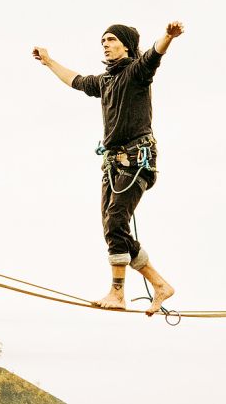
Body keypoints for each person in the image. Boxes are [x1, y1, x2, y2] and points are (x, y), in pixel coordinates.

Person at [31, 22, 183, 316]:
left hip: (137, 161)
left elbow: (154, 55)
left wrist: (168, 37)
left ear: (125, 45)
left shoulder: (136, 73)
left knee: (115, 220)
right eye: (103, 40)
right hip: (113, 164)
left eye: (111, 39)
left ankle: (117, 292)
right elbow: (75, 80)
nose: (105, 44)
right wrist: (49, 62)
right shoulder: (105, 81)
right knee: (114, 228)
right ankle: (160, 285)